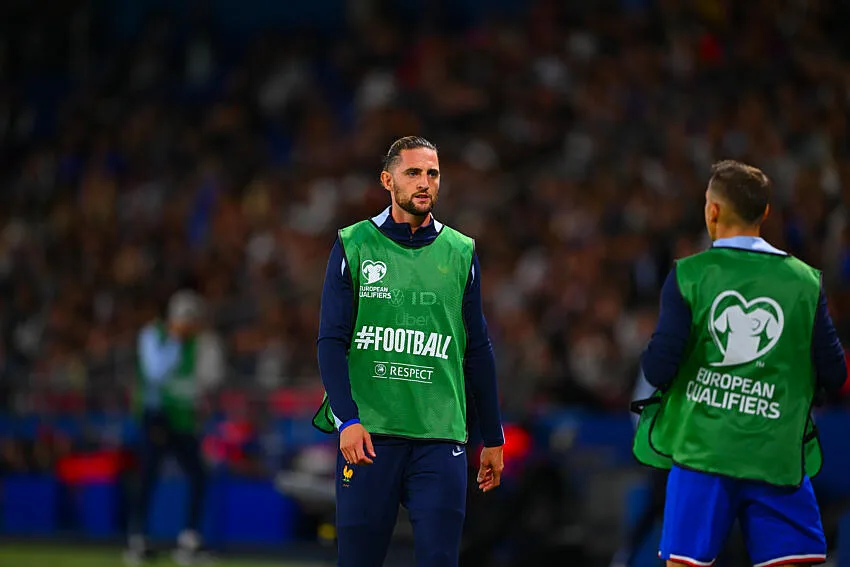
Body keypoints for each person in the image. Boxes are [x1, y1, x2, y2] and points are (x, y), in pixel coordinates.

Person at [637, 160, 848, 567]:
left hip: (702, 452)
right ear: (764, 213)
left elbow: (658, 370)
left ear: (713, 210)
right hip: (776, 451)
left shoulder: (689, 275)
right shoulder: (805, 281)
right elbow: (835, 373)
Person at [313, 136, 505, 567]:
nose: (424, 182)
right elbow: (330, 341)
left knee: (440, 560)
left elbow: (478, 349)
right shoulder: (354, 243)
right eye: (413, 172)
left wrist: (493, 437)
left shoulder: (461, 251)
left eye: (432, 174)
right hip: (370, 434)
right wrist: (347, 420)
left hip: (440, 438)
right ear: (388, 180)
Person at [125, 290, 211, 566]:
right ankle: (137, 539)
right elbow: (155, 372)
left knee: (199, 475)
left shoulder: (195, 343)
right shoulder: (153, 335)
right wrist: (174, 340)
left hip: (183, 419)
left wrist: (197, 408)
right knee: (148, 476)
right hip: (157, 416)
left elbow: (193, 381)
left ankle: (189, 540)